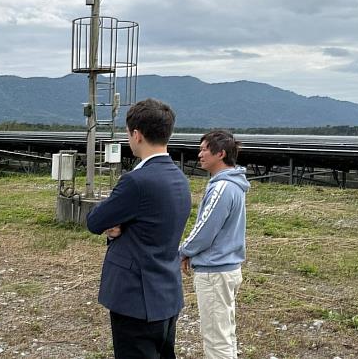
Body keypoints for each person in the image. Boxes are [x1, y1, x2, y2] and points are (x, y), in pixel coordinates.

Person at [86, 98, 192, 359]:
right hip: (166, 293)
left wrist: (113, 225)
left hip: (136, 299)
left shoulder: (136, 181)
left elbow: (95, 220)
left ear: (136, 134)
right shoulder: (179, 178)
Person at [179, 130, 249, 359]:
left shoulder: (221, 188)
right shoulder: (234, 185)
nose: (199, 154)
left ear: (220, 153)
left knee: (215, 338)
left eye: (204, 150)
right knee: (225, 333)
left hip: (214, 272)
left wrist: (183, 251)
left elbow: (205, 230)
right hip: (226, 269)